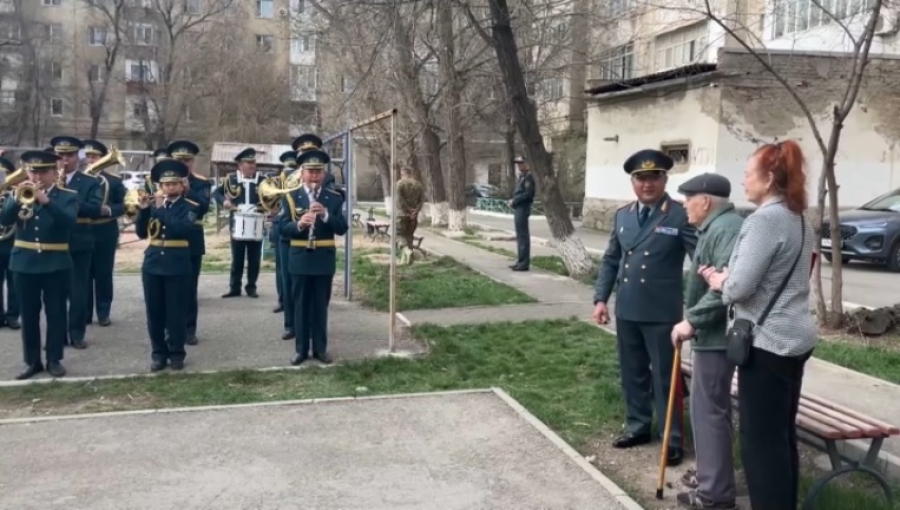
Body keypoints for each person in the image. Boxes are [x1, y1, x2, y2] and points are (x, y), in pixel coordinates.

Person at [700, 140, 816, 510]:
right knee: (781, 438)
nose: (743, 181)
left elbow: (739, 287)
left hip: (766, 344)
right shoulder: (800, 219)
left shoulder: (763, 221)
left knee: (759, 443)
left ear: (769, 178)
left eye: (748, 174)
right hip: (793, 340)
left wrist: (720, 280)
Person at [591, 149, 697, 466]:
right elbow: (611, 259)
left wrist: (696, 307)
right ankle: (638, 427)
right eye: (640, 178)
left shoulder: (679, 215)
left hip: (663, 313)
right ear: (633, 182)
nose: (646, 184)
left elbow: (700, 260)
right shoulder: (623, 215)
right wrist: (600, 299)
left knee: (666, 378)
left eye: (653, 177)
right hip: (627, 308)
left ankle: (672, 439)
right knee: (632, 373)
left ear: (665, 179)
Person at [671, 173, 743, 510]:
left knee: (708, 412)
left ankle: (714, 495)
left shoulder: (726, 229)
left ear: (706, 200)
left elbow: (726, 291)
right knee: (711, 410)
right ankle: (710, 474)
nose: (684, 204)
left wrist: (692, 321)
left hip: (716, 337)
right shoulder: (715, 227)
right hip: (712, 336)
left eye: (688, 198)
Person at [2, 150, 78, 379]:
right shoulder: (16, 194)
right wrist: (15, 200)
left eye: (44, 172)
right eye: (33, 172)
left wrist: (46, 201)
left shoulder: (68, 195)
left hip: (55, 263)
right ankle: (32, 361)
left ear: (55, 173)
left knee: (55, 313)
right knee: (29, 314)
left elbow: (68, 223)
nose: (38, 177)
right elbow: (4, 220)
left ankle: (54, 359)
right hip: (24, 263)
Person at [282, 149, 348, 365]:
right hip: (300, 258)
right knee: (300, 306)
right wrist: (300, 224)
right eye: (310, 171)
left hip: (323, 260)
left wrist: (326, 215)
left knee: (320, 306)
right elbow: (281, 228)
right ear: (302, 173)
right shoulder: (291, 197)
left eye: (318, 172)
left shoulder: (334, 198)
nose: (314, 176)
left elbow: (342, 228)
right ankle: (301, 349)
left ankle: (320, 348)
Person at [136, 159, 197, 372]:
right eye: (165, 184)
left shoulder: (189, 207)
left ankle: (177, 352)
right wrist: (144, 211)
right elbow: (142, 233)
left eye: (174, 184)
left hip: (177, 264)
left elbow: (181, 229)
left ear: (181, 185)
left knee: (176, 312)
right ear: (160, 186)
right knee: (155, 312)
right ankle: (158, 353)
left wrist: (161, 209)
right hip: (153, 263)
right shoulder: (154, 206)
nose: (169, 188)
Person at [51, 135, 104, 350]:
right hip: (52, 242)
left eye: (69, 155)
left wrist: (67, 199)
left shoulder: (90, 181)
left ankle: (76, 333)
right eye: (60, 155)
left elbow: (94, 209)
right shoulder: (44, 182)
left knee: (78, 291)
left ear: (77, 157)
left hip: (79, 239)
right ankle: (56, 335)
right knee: (54, 293)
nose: (64, 159)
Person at [166, 140, 211, 346]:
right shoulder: (161, 181)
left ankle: (189, 329)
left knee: (189, 288)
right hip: (167, 241)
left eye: (187, 160)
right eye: (179, 160)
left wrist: (188, 190)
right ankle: (169, 329)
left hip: (192, 240)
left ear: (192, 162)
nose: (183, 164)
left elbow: (203, 208)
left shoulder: (201, 182)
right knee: (167, 288)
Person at [279, 134, 323, 340]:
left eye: (311, 153)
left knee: (315, 289)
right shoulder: (287, 177)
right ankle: (291, 325)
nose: (308, 157)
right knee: (289, 285)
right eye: (304, 154)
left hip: (315, 239)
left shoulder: (325, 178)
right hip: (290, 238)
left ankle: (313, 326)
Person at [83, 140, 126, 327]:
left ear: (103, 158)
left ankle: (103, 312)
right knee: (82, 274)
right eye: (88, 157)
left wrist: (108, 210)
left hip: (105, 229)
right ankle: (83, 313)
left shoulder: (114, 182)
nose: (91, 160)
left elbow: (123, 206)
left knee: (103, 273)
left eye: (95, 156)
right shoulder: (79, 180)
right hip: (83, 229)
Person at [214, 147, 264, 298]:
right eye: (248, 163)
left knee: (254, 257)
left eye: (253, 163)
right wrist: (224, 202)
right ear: (240, 165)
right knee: (237, 257)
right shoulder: (231, 180)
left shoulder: (262, 181)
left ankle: (251, 286)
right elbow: (216, 193)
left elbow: (271, 198)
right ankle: (234, 287)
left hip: (256, 222)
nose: (252, 166)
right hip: (237, 223)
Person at [272, 150, 298, 314]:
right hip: (280, 226)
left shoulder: (301, 181)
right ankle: (282, 300)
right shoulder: (274, 182)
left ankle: (292, 302)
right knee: (281, 268)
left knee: (291, 269)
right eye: (287, 170)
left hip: (296, 226)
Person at [0, 157, 20, 330]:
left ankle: (13, 316)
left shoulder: (14, 195)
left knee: (15, 281)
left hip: (13, 241)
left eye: (5, 174)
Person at [507, 156, 535, 271]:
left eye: (521, 163)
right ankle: (520, 260)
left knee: (523, 236)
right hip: (518, 208)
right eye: (518, 164)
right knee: (519, 236)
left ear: (527, 164)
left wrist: (515, 200)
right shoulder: (522, 177)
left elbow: (528, 195)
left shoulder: (528, 178)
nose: (519, 166)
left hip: (523, 208)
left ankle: (524, 263)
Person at [396, 167, 424, 264]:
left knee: (400, 235)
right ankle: (407, 260)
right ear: (411, 173)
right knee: (409, 236)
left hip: (402, 215)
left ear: (402, 174)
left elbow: (399, 200)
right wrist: (415, 211)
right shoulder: (418, 185)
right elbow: (421, 200)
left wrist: (408, 210)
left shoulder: (399, 184)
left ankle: (406, 251)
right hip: (414, 216)